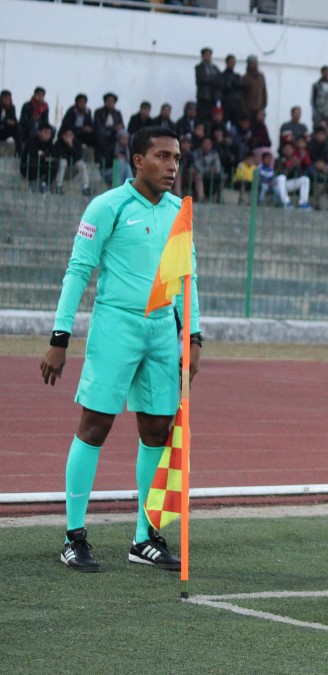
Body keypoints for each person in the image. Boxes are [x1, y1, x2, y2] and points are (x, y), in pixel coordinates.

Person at [40, 126, 202, 573]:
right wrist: (59, 337)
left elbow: (188, 279)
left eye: (177, 158)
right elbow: (78, 270)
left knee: (157, 430)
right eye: (163, 156)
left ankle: (143, 537)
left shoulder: (179, 212)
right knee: (94, 425)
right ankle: (74, 536)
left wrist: (193, 337)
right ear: (138, 160)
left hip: (162, 332)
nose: (172, 166)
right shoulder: (107, 206)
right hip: (115, 326)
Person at [194, 47, 220, 122]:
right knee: (203, 117)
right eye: (206, 55)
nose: (208, 57)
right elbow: (202, 79)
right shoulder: (199, 67)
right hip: (203, 97)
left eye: (209, 55)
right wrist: (213, 79)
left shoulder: (214, 68)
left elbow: (220, 79)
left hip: (213, 97)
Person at [311, 65, 328, 137]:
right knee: (317, 131)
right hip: (319, 113)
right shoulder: (316, 85)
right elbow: (313, 100)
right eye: (325, 72)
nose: (327, 74)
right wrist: (316, 113)